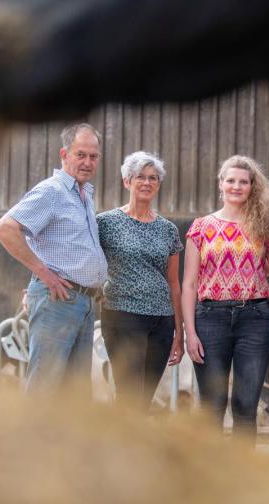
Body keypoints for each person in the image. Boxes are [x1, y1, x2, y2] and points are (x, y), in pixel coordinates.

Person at [0, 123, 107, 395]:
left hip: (84, 301)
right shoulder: (52, 191)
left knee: (75, 394)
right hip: (58, 300)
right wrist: (43, 274)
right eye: (81, 155)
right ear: (64, 154)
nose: (88, 162)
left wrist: (94, 281)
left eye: (93, 156)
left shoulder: (83, 195)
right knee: (45, 388)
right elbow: (5, 229)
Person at [182, 155, 269, 443]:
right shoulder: (201, 227)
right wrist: (190, 332)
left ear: (252, 187)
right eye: (231, 180)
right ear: (220, 184)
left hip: (255, 319)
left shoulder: (263, 227)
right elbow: (188, 284)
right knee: (212, 405)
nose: (237, 186)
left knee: (246, 405)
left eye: (243, 182)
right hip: (210, 319)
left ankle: (242, 478)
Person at [97, 151, 184, 410]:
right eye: (140, 177)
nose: (147, 183)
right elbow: (83, 260)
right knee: (129, 395)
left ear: (158, 184)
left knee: (144, 399)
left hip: (161, 321)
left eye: (153, 178)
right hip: (122, 315)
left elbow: (174, 283)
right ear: (127, 181)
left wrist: (179, 331)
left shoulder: (168, 229)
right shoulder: (106, 223)